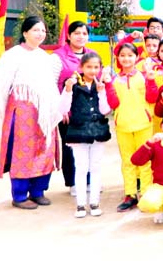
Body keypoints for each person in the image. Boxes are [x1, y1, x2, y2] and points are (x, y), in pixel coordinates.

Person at [0, 16, 62, 210]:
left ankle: (38, 191)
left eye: (42, 30)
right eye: (35, 30)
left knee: (44, 149)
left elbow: (50, 86)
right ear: (25, 33)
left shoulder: (44, 57)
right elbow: (2, 86)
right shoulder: (12, 55)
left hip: (44, 111)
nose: (40, 34)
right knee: (22, 152)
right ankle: (19, 195)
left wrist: (55, 108)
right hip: (22, 109)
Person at [60, 53, 113, 217]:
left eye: (96, 67)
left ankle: (95, 202)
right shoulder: (73, 84)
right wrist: (68, 90)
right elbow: (63, 108)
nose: (92, 70)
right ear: (81, 67)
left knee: (95, 167)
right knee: (81, 167)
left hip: (97, 131)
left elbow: (105, 110)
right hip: (78, 131)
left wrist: (102, 92)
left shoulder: (101, 85)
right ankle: (81, 205)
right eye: (89, 67)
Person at [108, 43, 159, 212]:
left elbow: (152, 98)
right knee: (128, 161)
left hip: (143, 124)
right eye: (122, 55)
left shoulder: (144, 76)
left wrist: (151, 80)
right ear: (118, 58)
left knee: (145, 160)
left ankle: (145, 193)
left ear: (137, 57)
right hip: (123, 126)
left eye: (130, 55)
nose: (126, 58)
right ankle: (130, 194)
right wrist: (107, 86)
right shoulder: (114, 79)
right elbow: (113, 103)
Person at [54, 21, 97, 196]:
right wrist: (61, 109)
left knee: (89, 145)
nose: (81, 37)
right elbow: (51, 84)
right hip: (68, 112)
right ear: (69, 36)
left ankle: (88, 181)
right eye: (77, 33)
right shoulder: (58, 57)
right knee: (71, 146)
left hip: (88, 110)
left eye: (84, 33)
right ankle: (73, 182)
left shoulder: (92, 55)